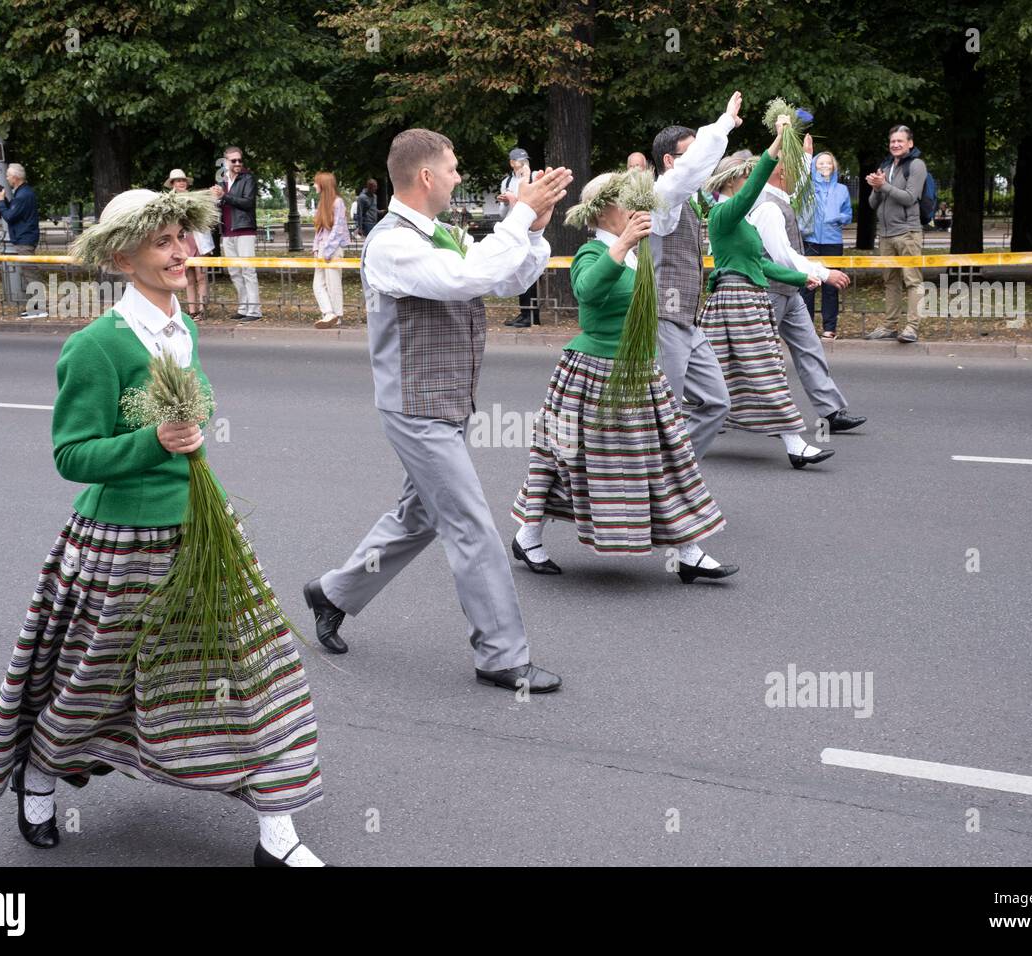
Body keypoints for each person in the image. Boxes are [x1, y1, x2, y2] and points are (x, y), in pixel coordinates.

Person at [0, 188, 326, 867]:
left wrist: (188, 429)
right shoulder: (95, 347)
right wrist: (153, 442)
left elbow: (195, 413)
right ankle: (42, 776)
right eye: (164, 241)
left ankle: (277, 829)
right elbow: (71, 455)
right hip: (120, 544)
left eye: (184, 238)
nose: (182, 251)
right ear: (121, 254)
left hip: (202, 527)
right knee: (94, 679)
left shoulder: (184, 326)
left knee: (254, 671)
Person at [302, 128, 571, 694]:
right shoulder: (391, 243)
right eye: (451, 168)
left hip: (446, 399)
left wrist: (535, 229)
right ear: (426, 176)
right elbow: (466, 278)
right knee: (471, 524)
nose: (457, 176)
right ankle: (501, 655)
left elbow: (506, 277)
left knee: (420, 514)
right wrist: (519, 216)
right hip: (415, 406)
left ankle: (333, 592)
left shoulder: (444, 232)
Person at [509, 172, 739, 581]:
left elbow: (684, 180)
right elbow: (588, 293)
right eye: (627, 202)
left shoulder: (640, 252)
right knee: (566, 460)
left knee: (667, 461)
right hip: (593, 374)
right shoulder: (593, 253)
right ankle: (528, 535)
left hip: (641, 374)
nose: (637, 209)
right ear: (603, 212)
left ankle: (690, 553)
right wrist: (624, 243)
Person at [700, 145, 834, 469]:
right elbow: (756, 187)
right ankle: (794, 443)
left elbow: (761, 264)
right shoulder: (723, 214)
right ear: (732, 181)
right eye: (747, 177)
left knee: (726, 375)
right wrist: (774, 148)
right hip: (736, 303)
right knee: (762, 371)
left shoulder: (741, 221)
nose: (751, 183)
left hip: (747, 302)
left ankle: (680, 436)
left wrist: (802, 276)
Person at [745, 133, 866, 437]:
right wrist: (823, 273)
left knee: (809, 348)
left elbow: (796, 188)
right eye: (794, 168)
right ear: (781, 173)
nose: (801, 175)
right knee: (755, 356)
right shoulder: (768, 208)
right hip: (769, 292)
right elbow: (783, 255)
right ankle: (711, 404)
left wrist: (806, 155)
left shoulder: (780, 197)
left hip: (787, 291)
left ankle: (831, 411)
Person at [647, 92, 744, 459]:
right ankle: (655, 484)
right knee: (663, 412)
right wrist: (722, 125)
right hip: (664, 318)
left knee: (716, 402)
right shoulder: (663, 195)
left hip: (688, 319)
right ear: (670, 161)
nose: (701, 165)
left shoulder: (684, 198)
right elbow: (689, 174)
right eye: (692, 153)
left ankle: (678, 475)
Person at [865, 125, 927, 343]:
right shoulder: (886, 166)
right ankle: (890, 326)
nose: (895, 145)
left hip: (907, 232)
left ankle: (911, 327)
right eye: (892, 141)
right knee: (890, 281)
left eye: (900, 141)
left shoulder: (917, 165)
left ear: (910, 143)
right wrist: (876, 187)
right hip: (886, 235)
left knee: (912, 281)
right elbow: (873, 203)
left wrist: (884, 185)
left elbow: (910, 197)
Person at [800, 151, 852, 339]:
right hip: (810, 240)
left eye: (828, 163)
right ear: (814, 166)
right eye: (820, 163)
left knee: (831, 287)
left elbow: (848, 214)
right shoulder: (807, 188)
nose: (824, 166)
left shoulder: (842, 190)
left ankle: (830, 328)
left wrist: (840, 218)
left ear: (834, 166)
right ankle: (806, 328)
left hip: (833, 241)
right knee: (808, 286)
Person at [210, 146, 261, 322]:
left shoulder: (248, 178)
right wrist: (215, 199)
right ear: (225, 163)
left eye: (240, 160)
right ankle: (243, 307)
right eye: (234, 161)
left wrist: (224, 196)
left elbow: (248, 203)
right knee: (234, 271)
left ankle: (254, 311)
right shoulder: (223, 181)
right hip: (227, 231)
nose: (238, 163)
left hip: (244, 229)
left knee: (248, 270)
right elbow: (220, 205)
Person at [0, 163, 46, 318]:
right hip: (24, 238)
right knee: (28, 273)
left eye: (8, 175)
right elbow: (14, 212)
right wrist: (4, 199)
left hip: (25, 239)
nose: (7, 178)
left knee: (30, 273)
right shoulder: (22, 193)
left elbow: (9, 216)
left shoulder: (23, 195)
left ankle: (39, 308)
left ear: (15, 177)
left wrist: (0, 202)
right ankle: (34, 307)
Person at [498, 148, 543, 327]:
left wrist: (515, 200)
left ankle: (531, 315)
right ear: (511, 163)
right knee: (519, 270)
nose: (523, 163)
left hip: (531, 231)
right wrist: (505, 202)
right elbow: (503, 214)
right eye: (519, 161)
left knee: (530, 271)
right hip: (513, 230)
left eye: (525, 160)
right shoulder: (507, 181)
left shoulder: (535, 178)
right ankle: (525, 313)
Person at [165, 169, 212, 319]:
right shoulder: (167, 203)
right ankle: (192, 310)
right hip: (182, 242)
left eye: (183, 180)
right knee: (188, 278)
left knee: (201, 276)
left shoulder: (195, 199)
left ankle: (203, 308)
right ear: (172, 184)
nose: (181, 183)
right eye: (178, 181)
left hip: (198, 241)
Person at [311, 171, 350, 329]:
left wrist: (327, 251)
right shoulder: (322, 203)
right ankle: (329, 313)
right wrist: (316, 248)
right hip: (322, 248)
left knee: (333, 283)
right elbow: (319, 229)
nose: (314, 185)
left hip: (333, 249)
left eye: (316, 182)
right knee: (317, 284)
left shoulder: (338, 202)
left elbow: (338, 229)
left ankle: (336, 315)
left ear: (323, 184)